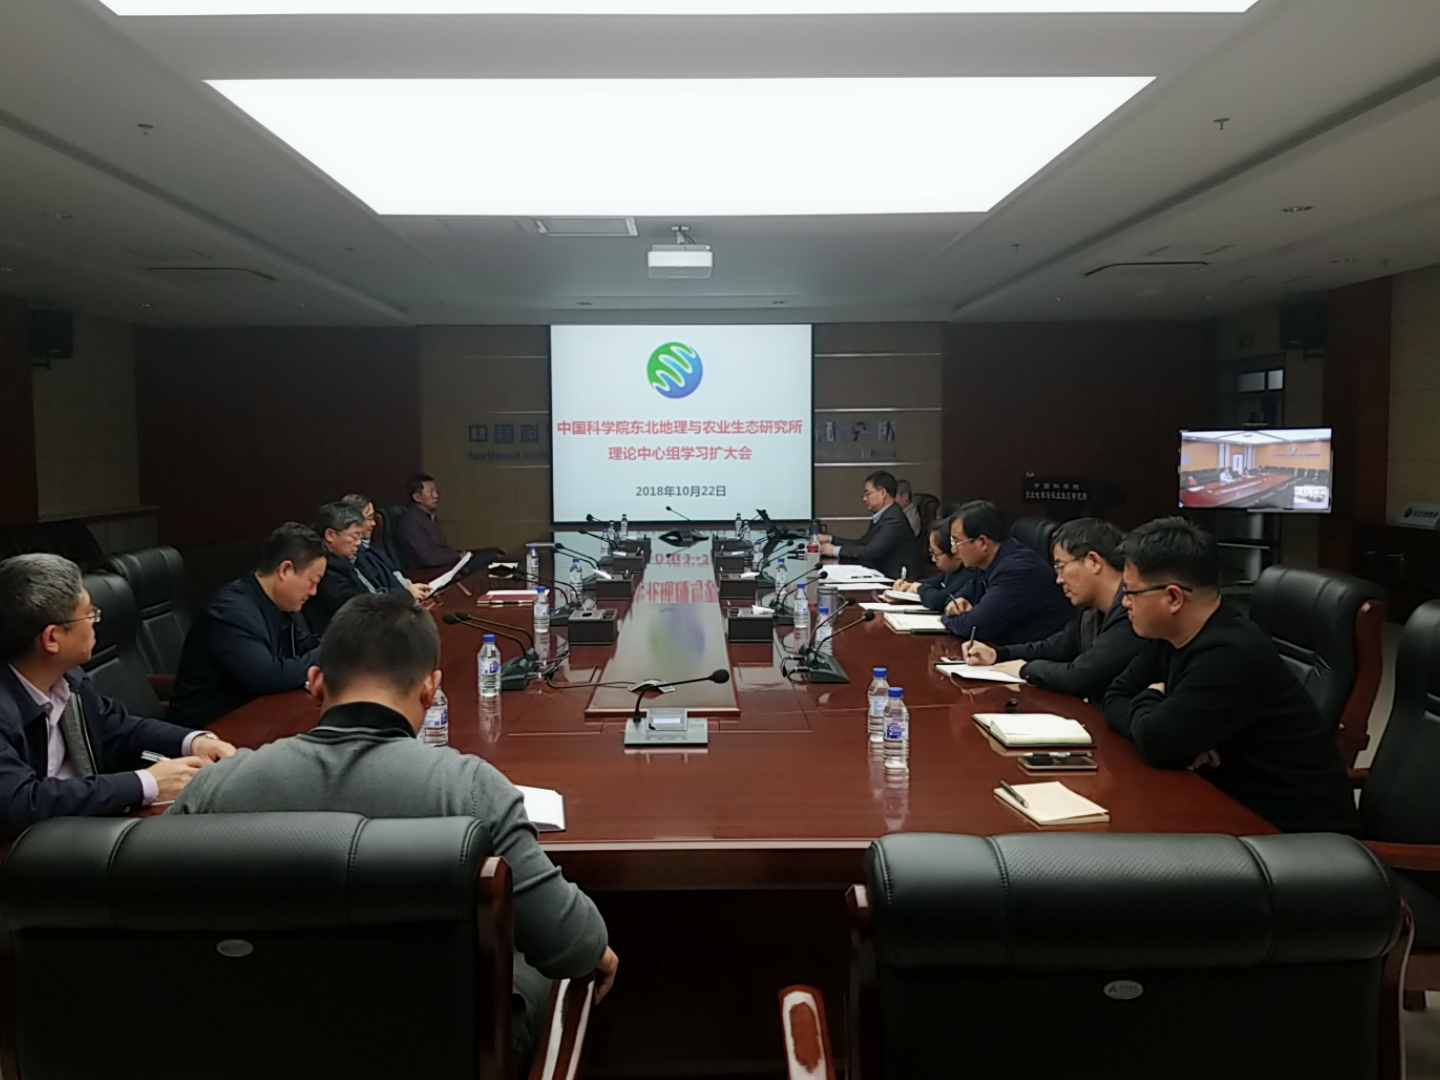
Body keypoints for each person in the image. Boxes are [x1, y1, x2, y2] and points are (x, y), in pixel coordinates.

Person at [169, 591, 618, 1068]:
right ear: (430, 689)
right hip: (434, 1054)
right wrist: (596, 951)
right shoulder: (469, 791)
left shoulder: (214, 789)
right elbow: (573, 946)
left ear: (315, 683)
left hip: (250, 1049)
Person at [1102, 517, 1359, 834]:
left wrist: (1153, 700)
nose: (1124, 602)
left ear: (1173, 598)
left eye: (1131, 592)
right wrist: (1159, 714)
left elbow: (1158, 743)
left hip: (1298, 840)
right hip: (1228, 809)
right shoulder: (1168, 637)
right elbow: (1114, 695)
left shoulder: (1229, 654)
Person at [0, 553, 234, 839]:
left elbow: (119, 728)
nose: (95, 621)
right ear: (52, 639)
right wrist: (147, 783)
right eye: (89, 613)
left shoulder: (68, 680)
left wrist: (192, 741)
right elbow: (20, 802)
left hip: (76, 830)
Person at [961, 518, 1142, 700]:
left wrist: (1025, 669)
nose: (1059, 579)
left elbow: (1080, 676)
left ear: (1093, 561)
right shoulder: (1090, 611)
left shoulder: (1134, 611)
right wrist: (998, 654)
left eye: (1061, 567)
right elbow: (1053, 648)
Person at [170, 523, 326, 727]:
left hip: (253, 719)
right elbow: (267, 676)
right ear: (285, 570)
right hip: (207, 730)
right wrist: (329, 653)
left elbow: (305, 645)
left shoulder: (278, 604)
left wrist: (340, 650)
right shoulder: (229, 611)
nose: (314, 592)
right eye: (312, 581)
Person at [940, 500, 1073, 646]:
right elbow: (953, 600)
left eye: (957, 542)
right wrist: (953, 607)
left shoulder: (1017, 571)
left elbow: (974, 627)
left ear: (982, 542)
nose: (953, 550)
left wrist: (946, 619)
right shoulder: (985, 563)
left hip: (1035, 654)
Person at [815, 471, 919, 581]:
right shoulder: (885, 515)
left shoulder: (893, 519)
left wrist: (835, 550)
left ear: (883, 493)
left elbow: (869, 552)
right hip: (884, 575)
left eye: (868, 494)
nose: (864, 499)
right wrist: (831, 539)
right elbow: (862, 544)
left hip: (899, 581)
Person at [340, 493, 432, 603]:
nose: (374, 523)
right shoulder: (354, 555)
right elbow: (372, 596)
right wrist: (405, 593)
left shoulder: (372, 548)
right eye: (369, 518)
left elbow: (395, 575)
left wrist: (410, 588)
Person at [396, 473, 470, 576]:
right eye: (430, 492)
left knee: (489, 559)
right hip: (428, 572)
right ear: (417, 497)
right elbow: (428, 558)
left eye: (435, 491)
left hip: (447, 564)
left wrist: (459, 556)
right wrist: (457, 556)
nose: (436, 496)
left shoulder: (428, 517)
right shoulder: (410, 521)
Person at [894, 518, 972, 612]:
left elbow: (939, 599)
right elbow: (931, 583)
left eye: (935, 554)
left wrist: (918, 588)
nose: (933, 559)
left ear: (955, 553)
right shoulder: (950, 571)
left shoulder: (971, 573)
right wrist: (909, 585)